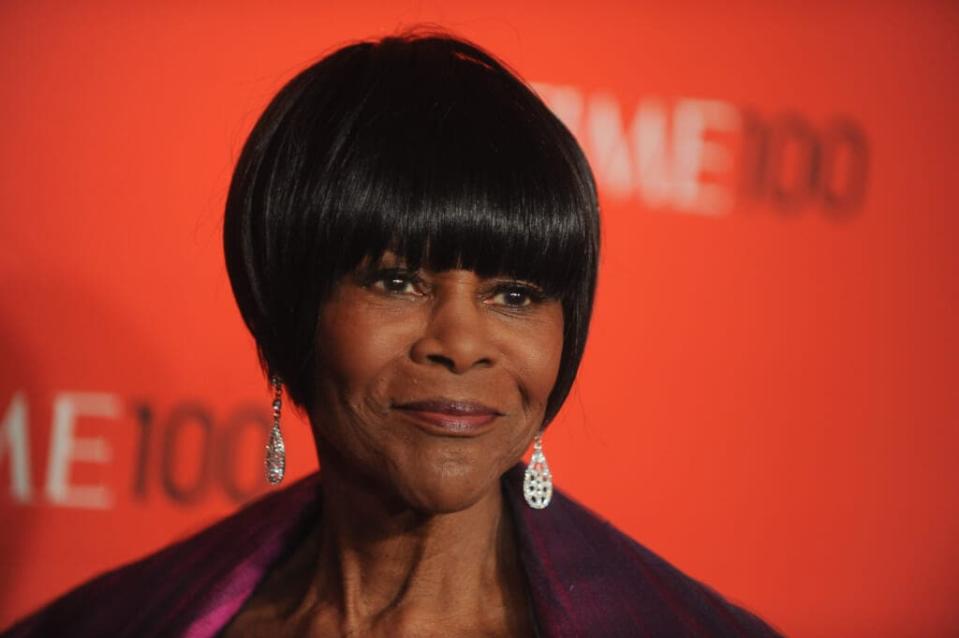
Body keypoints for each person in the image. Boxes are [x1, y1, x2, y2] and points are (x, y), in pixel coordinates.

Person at [2, 31, 782, 637]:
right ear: (290, 301)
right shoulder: (114, 621)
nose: (462, 342)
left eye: (514, 294)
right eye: (397, 281)